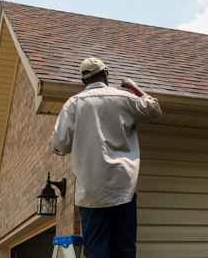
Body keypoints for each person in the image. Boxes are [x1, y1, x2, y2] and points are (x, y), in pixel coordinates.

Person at [50, 57, 162, 258]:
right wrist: (133, 86)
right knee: (125, 250)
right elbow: (154, 108)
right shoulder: (122, 98)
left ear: (84, 81)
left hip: (92, 192)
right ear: (104, 74)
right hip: (123, 188)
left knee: (96, 251)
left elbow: (60, 145)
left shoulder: (73, 104)